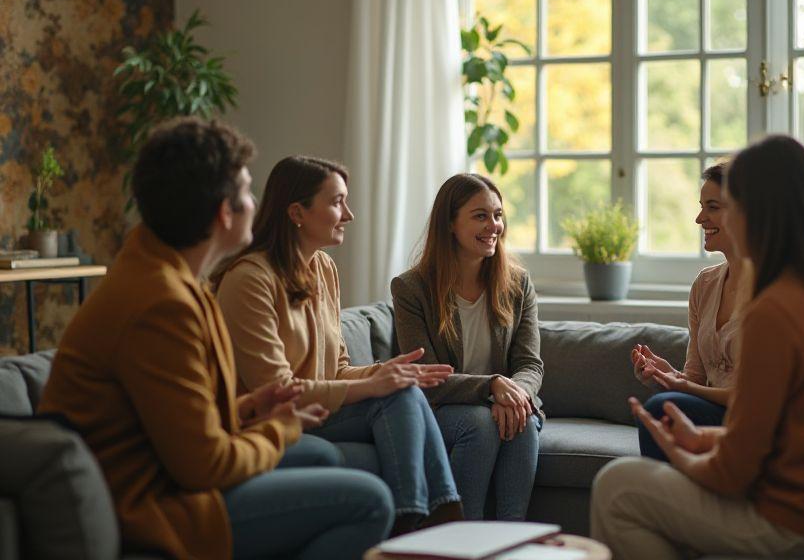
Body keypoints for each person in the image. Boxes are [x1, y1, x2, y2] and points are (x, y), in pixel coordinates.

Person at [38, 118, 393, 560]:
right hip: (151, 503)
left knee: (321, 458)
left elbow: (181, 418)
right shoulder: (161, 303)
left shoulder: (171, 277)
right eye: (247, 191)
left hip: (170, 476)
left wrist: (249, 409)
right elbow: (204, 464)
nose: (256, 203)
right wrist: (280, 429)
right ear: (224, 212)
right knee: (368, 500)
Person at [591, 135, 804, 558]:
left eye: (730, 205)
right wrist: (701, 439)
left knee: (617, 485)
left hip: (801, 523)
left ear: (763, 213)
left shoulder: (774, 309)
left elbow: (732, 475)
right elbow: (788, 436)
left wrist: (676, 454)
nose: (714, 220)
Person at [214, 155, 462, 536]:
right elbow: (277, 393)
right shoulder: (250, 280)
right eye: (336, 202)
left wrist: (386, 373)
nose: (348, 214)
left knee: (403, 390)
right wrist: (374, 385)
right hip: (277, 421)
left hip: (322, 412)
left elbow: (339, 368)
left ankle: (428, 521)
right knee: (396, 395)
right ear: (297, 212)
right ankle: (422, 524)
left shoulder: (323, 269)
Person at [391, 173, 543, 521]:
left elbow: (530, 364)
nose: (494, 225)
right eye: (480, 216)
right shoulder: (411, 289)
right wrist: (490, 386)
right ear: (449, 224)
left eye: (498, 215)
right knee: (480, 423)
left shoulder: (518, 284)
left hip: (507, 401)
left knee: (520, 421)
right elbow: (425, 375)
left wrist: (515, 395)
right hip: (442, 406)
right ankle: (460, 540)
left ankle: (510, 541)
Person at [632, 163, 740, 461]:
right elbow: (696, 378)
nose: (699, 218)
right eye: (701, 206)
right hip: (717, 411)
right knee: (664, 406)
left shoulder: (774, 293)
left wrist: (681, 386)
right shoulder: (704, 285)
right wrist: (668, 375)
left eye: (712, 207)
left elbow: (756, 397)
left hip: (757, 419)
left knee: (661, 407)